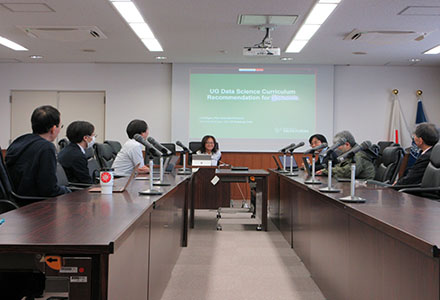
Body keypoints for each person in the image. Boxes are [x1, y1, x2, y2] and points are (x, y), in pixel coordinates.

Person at [5, 105, 70, 201]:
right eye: (60, 126)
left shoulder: (19, 140)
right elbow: (49, 190)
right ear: (53, 128)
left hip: (15, 201)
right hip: (34, 204)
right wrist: (67, 191)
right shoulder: (46, 148)